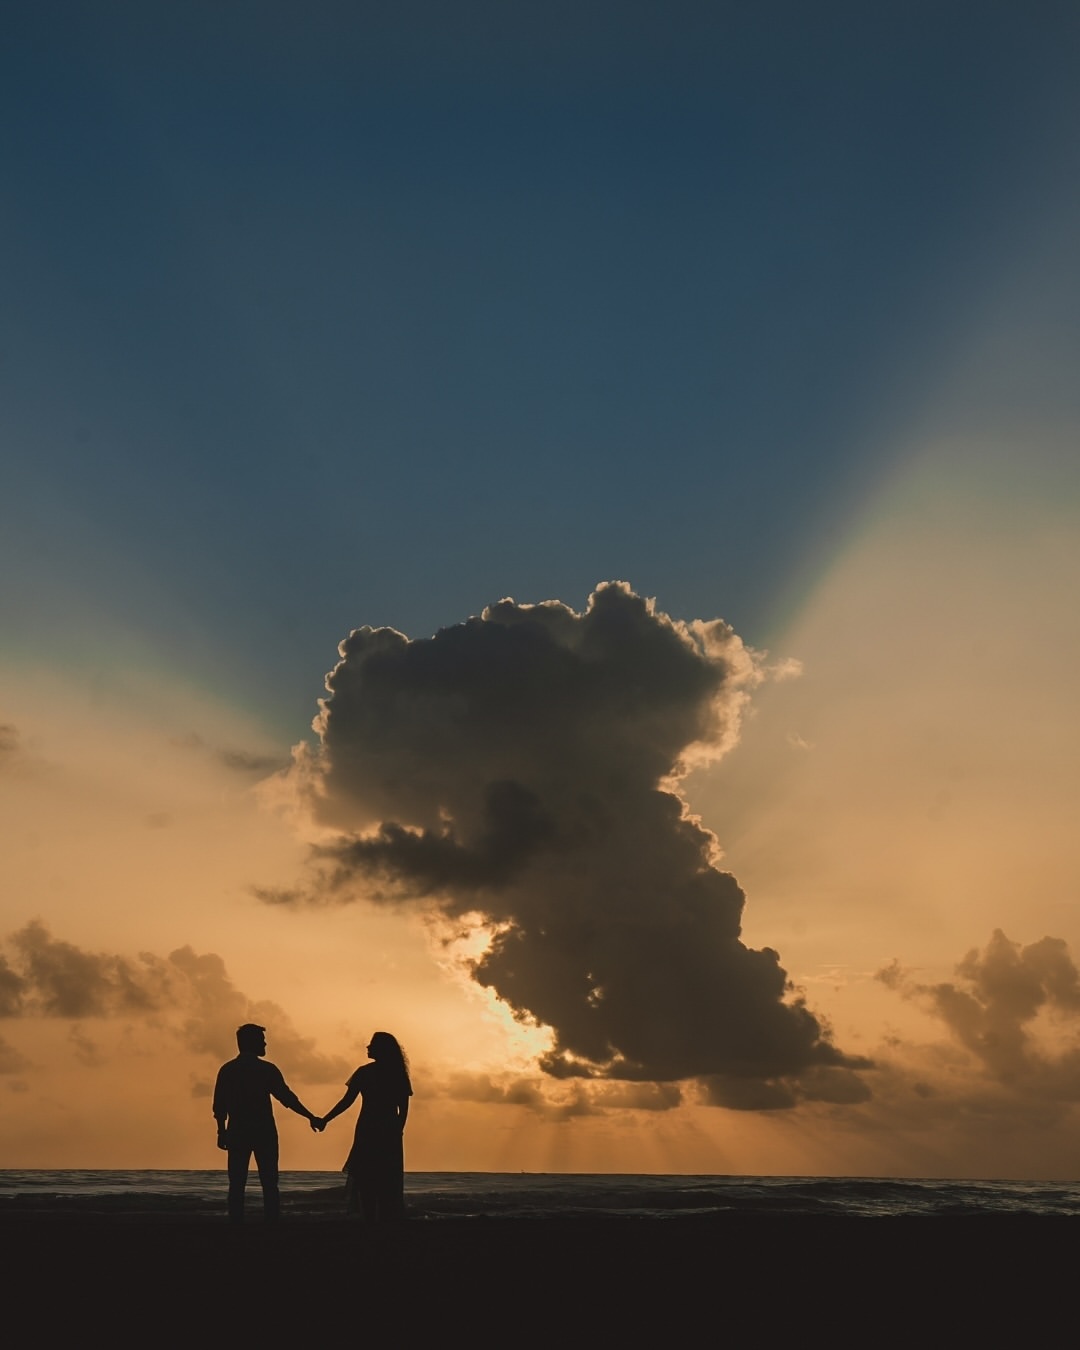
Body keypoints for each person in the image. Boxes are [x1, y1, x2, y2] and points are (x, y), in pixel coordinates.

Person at [213, 1022, 323, 1223]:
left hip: (237, 1130)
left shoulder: (227, 1070)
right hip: (263, 1131)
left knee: (236, 1182)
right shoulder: (266, 1070)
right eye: (262, 1041)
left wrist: (221, 1131)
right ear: (252, 1043)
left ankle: (236, 1222)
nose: (265, 1044)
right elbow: (287, 1098)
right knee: (270, 1182)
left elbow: (219, 1106)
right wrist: (310, 1116)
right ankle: (272, 1222)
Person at [317, 1031, 412, 1221]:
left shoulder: (365, 1073)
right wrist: (397, 1130)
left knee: (367, 1178)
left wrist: (325, 1119)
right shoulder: (397, 1074)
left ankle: (369, 1219)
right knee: (386, 1178)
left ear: (381, 1049)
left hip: (369, 1128)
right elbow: (403, 1109)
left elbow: (346, 1102)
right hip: (388, 1130)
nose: (367, 1047)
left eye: (371, 1045)